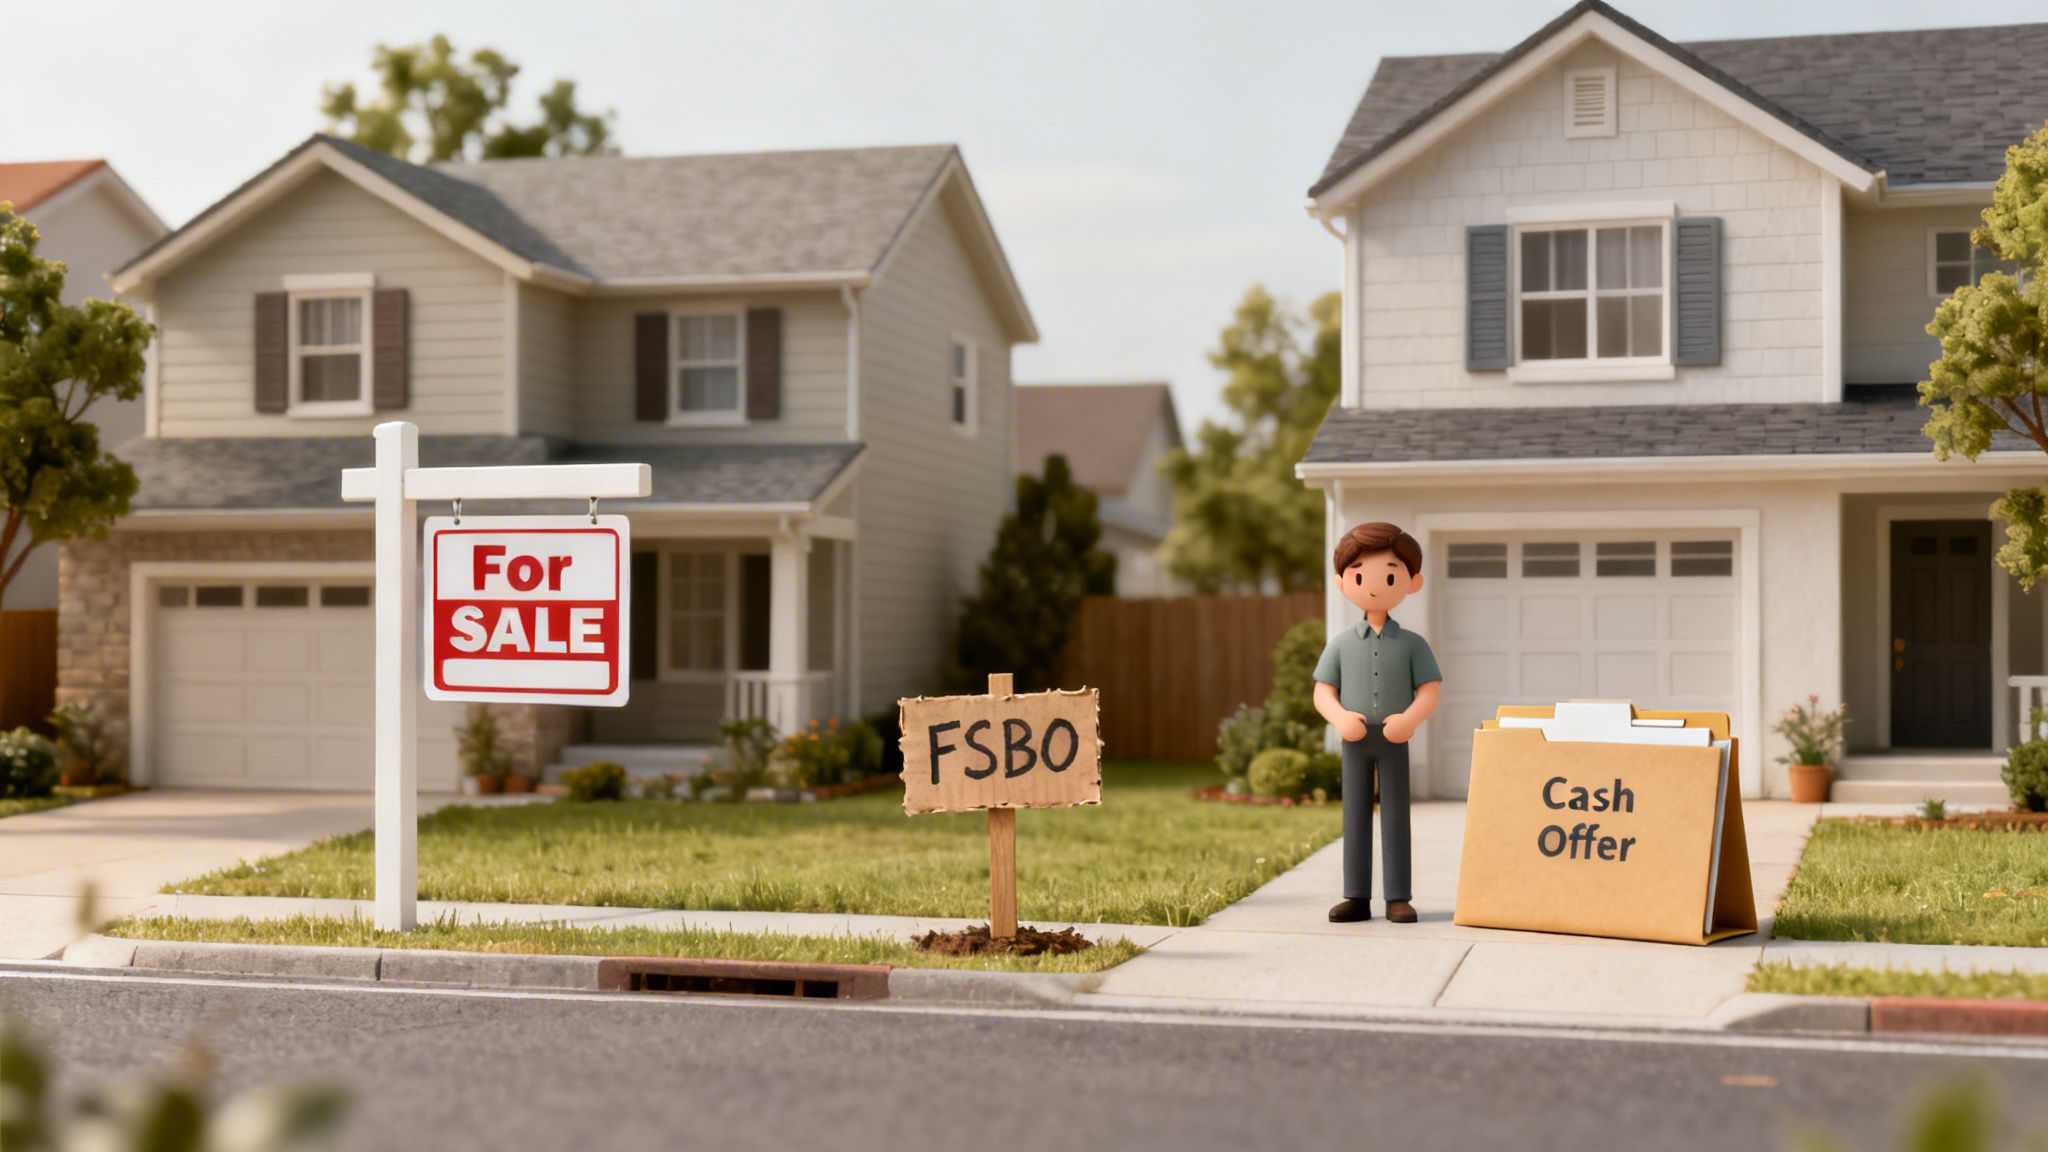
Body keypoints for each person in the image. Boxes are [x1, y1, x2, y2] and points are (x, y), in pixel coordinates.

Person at [1312, 522, 1441, 924]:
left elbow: (1430, 691)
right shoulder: (1340, 645)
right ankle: (1356, 896)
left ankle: (1397, 896)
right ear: (1342, 582)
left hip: (1393, 739)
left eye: (1389, 576)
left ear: (1413, 582)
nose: (1372, 587)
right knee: (1354, 817)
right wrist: (1339, 718)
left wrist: (1408, 719)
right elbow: (1322, 692)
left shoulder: (1413, 645)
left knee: (1396, 817)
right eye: (1359, 576)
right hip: (1355, 740)